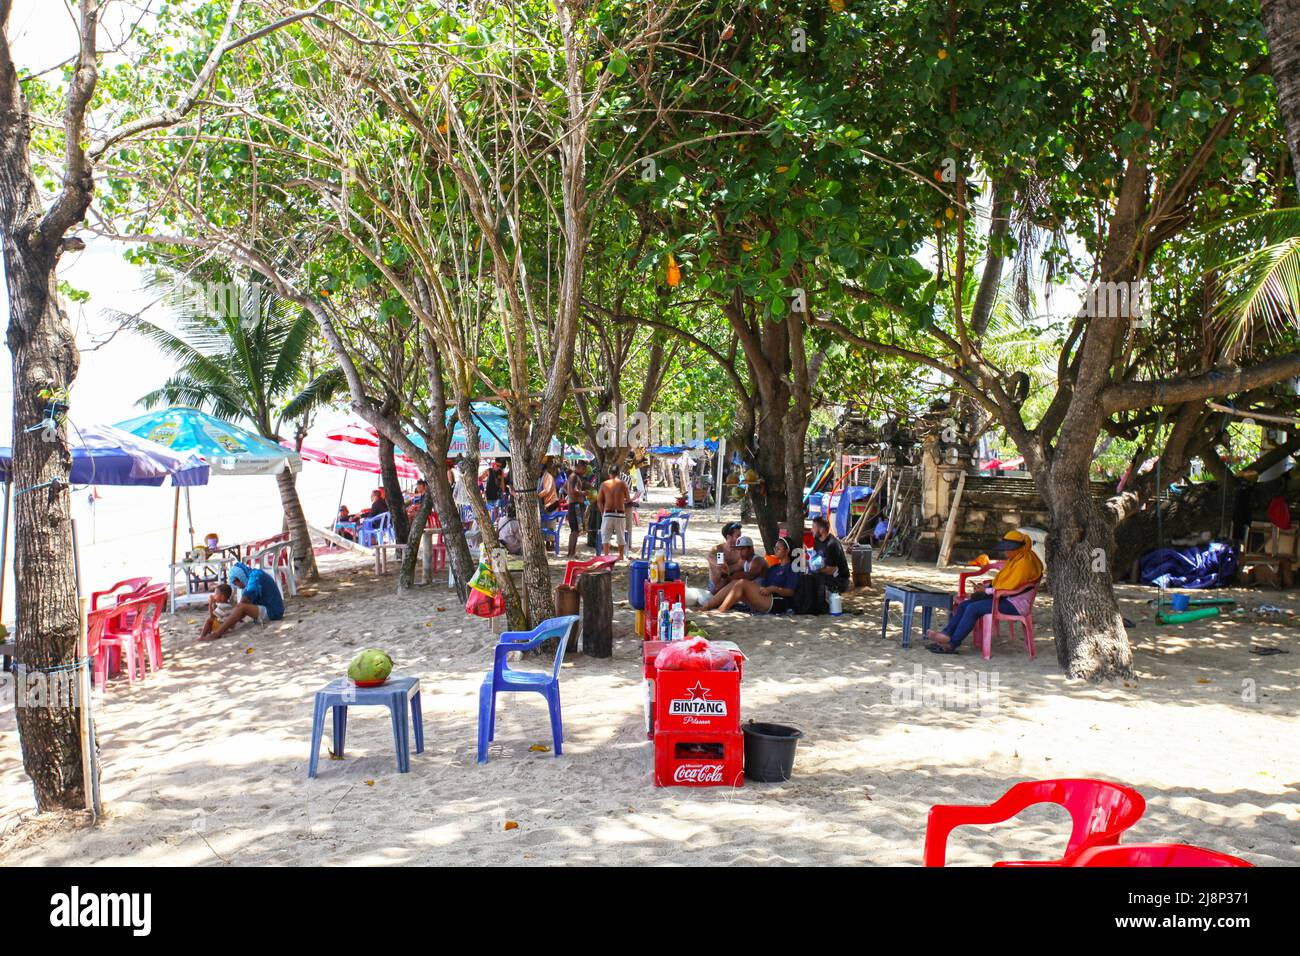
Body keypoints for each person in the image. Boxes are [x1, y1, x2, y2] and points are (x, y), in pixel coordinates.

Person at [926, 530, 1044, 654]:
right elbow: (1005, 582)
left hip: (1014, 604)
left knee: (973, 608)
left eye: (1009, 549)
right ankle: (946, 634)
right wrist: (986, 586)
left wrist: (986, 590)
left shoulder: (1024, 564)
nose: (1006, 552)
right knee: (965, 604)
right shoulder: (1018, 558)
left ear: (1018, 548)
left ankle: (952, 643)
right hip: (1004, 598)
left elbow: (1011, 589)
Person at [699, 537, 801, 614]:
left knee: (741, 583)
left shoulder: (792, 568)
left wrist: (773, 589)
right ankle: (707, 606)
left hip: (778, 601)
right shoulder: (774, 567)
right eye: (775, 548)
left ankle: (721, 609)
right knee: (736, 583)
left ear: (787, 551)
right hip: (766, 596)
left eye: (778, 548)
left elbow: (790, 592)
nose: (775, 550)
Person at [203, 562, 284, 640]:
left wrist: (229, 616)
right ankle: (218, 630)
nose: (238, 587)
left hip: (273, 612)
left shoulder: (254, 577)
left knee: (241, 608)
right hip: (270, 608)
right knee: (237, 611)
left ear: (239, 578)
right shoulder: (253, 575)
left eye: (236, 584)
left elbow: (242, 603)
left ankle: (216, 634)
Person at [597, 466, 631, 559]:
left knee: (606, 536)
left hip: (608, 513)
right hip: (620, 513)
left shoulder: (604, 484)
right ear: (619, 473)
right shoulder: (623, 484)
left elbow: (599, 501)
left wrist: (602, 512)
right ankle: (621, 556)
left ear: (609, 473)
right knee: (621, 536)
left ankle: (606, 556)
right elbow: (628, 499)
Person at [810, 515, 850, 592]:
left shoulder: (832, 545)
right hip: (825, 574)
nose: (812, 530)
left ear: (822, 529)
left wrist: (815, 570)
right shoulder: (817, 540)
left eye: (814, 528)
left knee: (812, 581)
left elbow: (830, 570)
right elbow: (815, 558)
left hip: (839, 580)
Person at [707, 521, 746, 591]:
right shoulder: (718, 550)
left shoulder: (741, 550)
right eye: (738, 536)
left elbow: (740, 566)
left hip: (732, 585)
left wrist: (727, 569)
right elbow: (722, 570)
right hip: (717, 586)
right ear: (729, 537)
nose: (740, 539)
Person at [566, 460, 590, 557]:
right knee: (575, 531)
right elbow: (573, 491)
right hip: (575, 506)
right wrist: (583, 493)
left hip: (575, 505)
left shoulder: (574, 477)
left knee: (575, 531)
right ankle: (571, 553)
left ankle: (571, 552)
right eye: (583, 468)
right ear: (578, 467)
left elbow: (566, 488)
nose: (584, 471)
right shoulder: (574, 477)